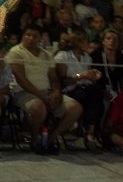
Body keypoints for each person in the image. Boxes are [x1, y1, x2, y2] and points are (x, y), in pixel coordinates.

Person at [6, 24, 83, 154]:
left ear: (40, 38)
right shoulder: (15, 52)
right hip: (24, 92)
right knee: (38, 107)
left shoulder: (47, 55)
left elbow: (53, 78)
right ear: (23, 36)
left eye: (34, 36)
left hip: (47, 92)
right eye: (27, 35)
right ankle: (35, 140)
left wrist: (56, 92)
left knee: (75, 108)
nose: (30, 38)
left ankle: (52, 138)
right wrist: (41, 95)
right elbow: (20, 78)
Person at [54, 30, 104, 151]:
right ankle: (88, 133)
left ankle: (88, 132)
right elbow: (62, 80)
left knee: (95, 94)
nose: (88, 44)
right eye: (86, 42)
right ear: (78, 43)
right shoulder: (62, 56)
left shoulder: (87, 57)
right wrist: (81, 76)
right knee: (92, 96)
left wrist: (94, 75)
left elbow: (88, 77)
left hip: (85, 89)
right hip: (69, 89)